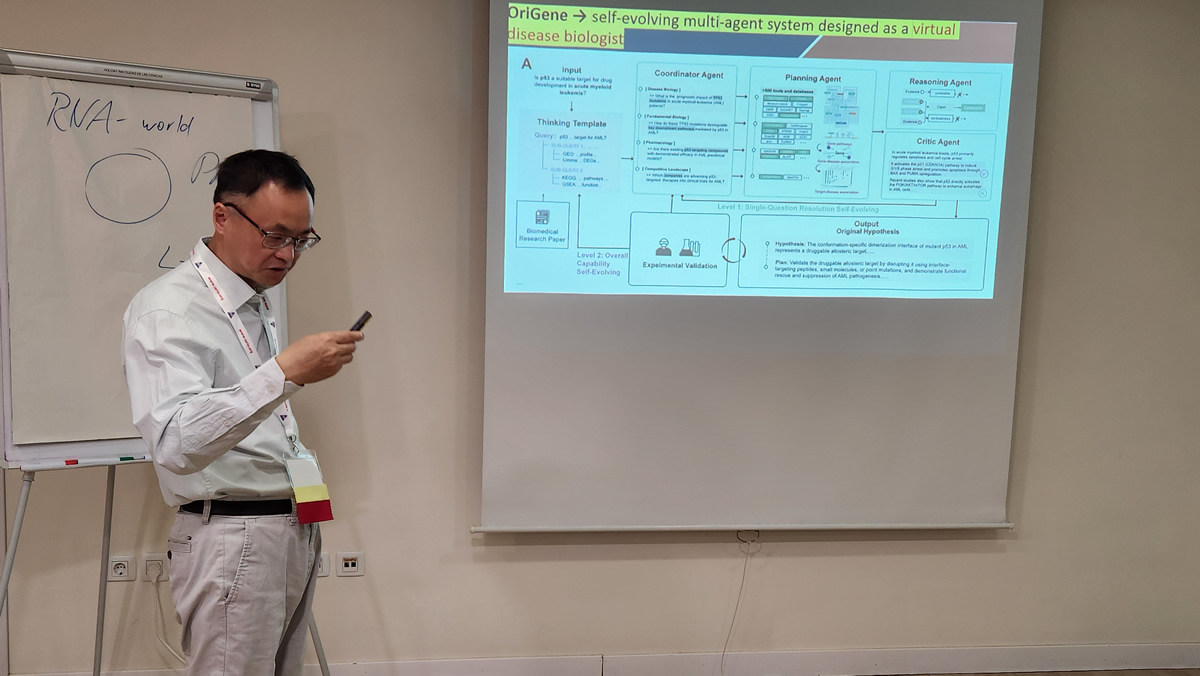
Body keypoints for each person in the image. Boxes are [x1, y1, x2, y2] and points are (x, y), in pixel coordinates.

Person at [122, 149, 362, 675]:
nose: (288, 255)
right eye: (275, 236)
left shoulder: (252, 299)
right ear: (222, 216)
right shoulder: (169, 309)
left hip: (286, 525)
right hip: (233, 534)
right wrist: (284, 373)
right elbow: (175, 443)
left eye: (302, 240)